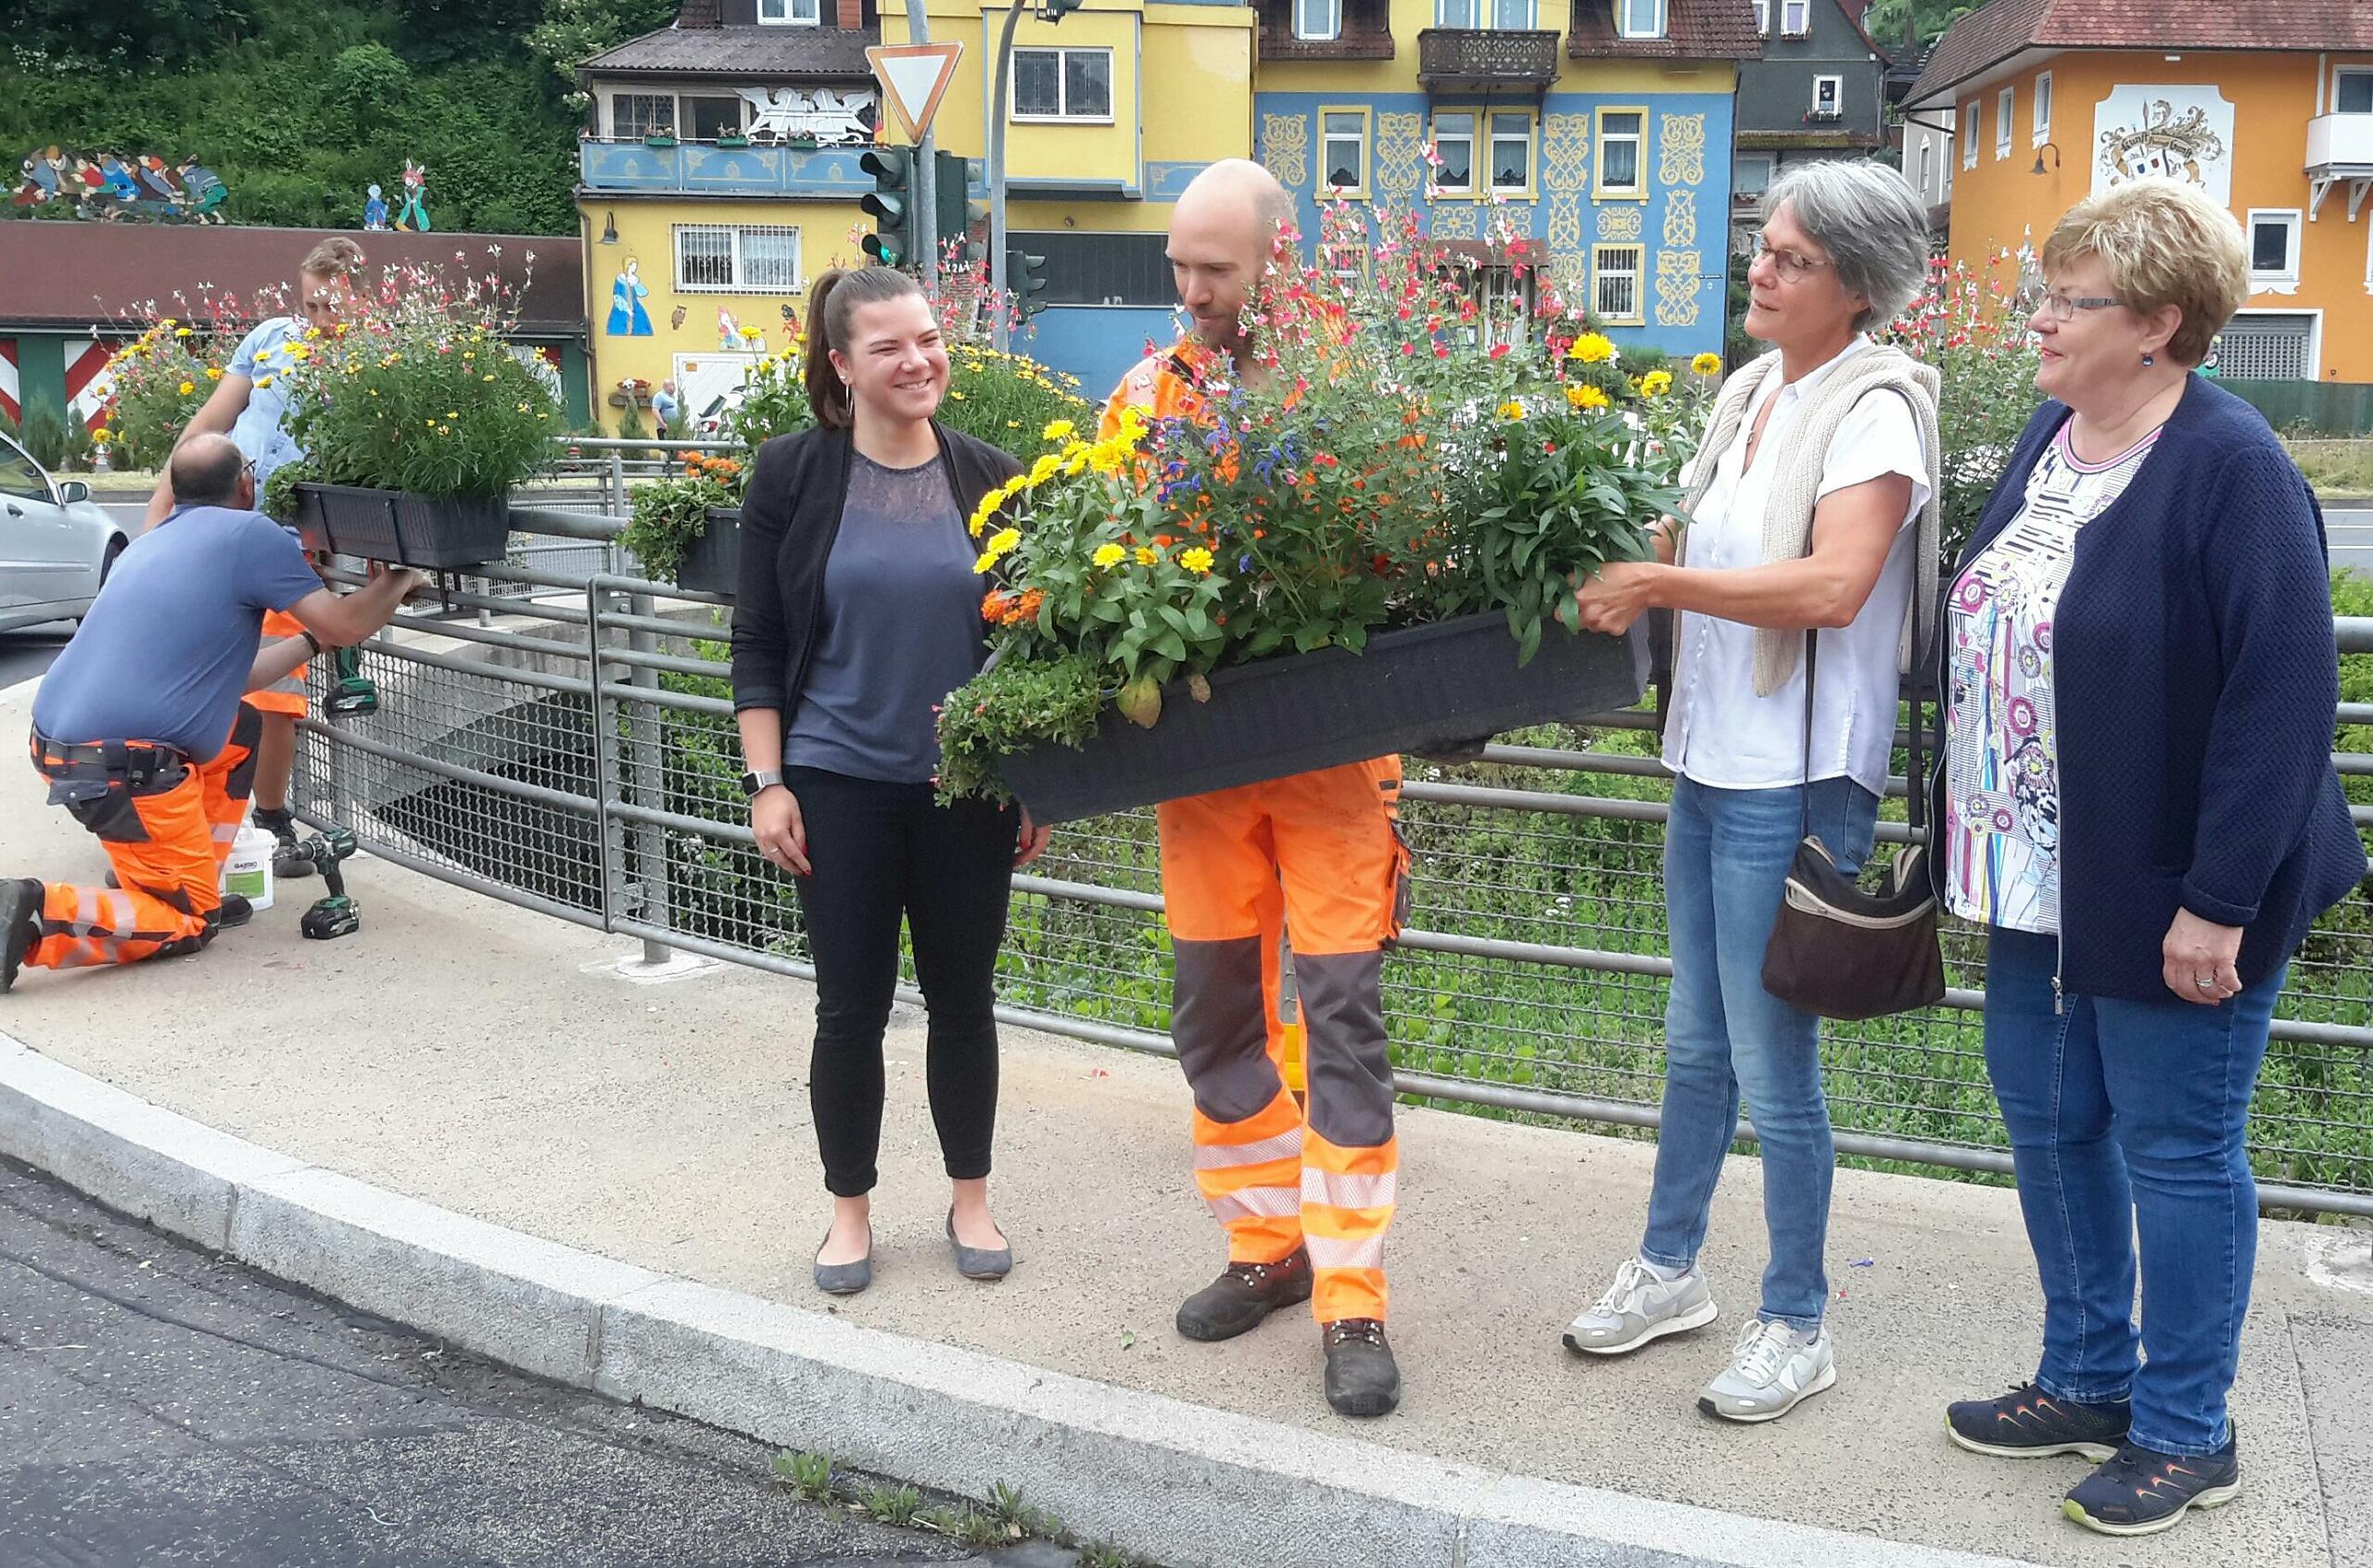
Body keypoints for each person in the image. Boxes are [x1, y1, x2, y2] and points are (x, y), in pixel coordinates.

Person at [1934, 180, 2365, 1537]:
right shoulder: (2052, 438)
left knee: (2179, 1151)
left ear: (2162, 324)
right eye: (2045, 296)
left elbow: (2285, 702)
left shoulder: (2231, 466)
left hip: (2178, 888)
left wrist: (2218, 904)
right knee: (2053, 1126)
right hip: (2033, 877)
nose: (2041, 322)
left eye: (2072, 302)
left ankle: (2188, 1431)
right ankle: (2086, 1378)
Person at [1567, 160, 1939, 1423]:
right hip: (1709, 759)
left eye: (1788, 257)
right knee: (1694, 1045)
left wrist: (1659, 588)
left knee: (1776, 1069)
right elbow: (1696, 546)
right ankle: (1672, 1270)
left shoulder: (1875, 411)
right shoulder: (1749, 395)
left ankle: (1797, 1319)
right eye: (1762, 248)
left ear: (1855, 284)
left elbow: (1835, 588)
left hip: (1795, 780)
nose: (1759, 269)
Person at [1097, 159, 1411, 1420]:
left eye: (1211, 271)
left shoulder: (1353, 397)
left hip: (1334, 772)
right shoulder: (1142, 395)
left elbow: (1414, 555)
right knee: (1217, 1023)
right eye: (1178, 267)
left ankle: (1353, 1300)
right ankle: (1267, 1250)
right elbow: (1098, 548)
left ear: (1279, 261)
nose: (1188, 291)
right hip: (1203, 778)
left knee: (1340, 1032)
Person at [730, 267, 1050, 1297]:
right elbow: (759, 639)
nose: (919, 361)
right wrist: (766, 781)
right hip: (836, 784)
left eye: (928, 337)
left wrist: (1036, 777)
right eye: (889, 347)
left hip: (967, 788)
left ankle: (970, 1200)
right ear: (842, 365)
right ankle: (848, 1213)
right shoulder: (791, 476)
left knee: (965, 1002)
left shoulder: (992, 477)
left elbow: (1037, 648)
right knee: (848, 1008)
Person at [0, 436, 421, 993]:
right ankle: (33, 914)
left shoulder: (152, 542)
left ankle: (188, 874)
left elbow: (224, 682)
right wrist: (399, 579)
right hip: (124, 769)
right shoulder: (251, 534)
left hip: (67, 746)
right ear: (245, 484)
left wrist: (309, 647)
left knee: (239, 727)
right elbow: (343, 624)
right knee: (190, 924)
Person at [148, 235, 369, 880]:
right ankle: (180, 813)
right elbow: (208, 425)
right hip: (215, 518)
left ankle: (269, 818)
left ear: (360, 299)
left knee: (274, 696)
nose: (322, 320)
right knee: (193, 671)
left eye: (333, 308)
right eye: (313, 306)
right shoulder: (273, 338)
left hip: (284, 538)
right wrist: (157, 514)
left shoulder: (369, 361)